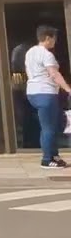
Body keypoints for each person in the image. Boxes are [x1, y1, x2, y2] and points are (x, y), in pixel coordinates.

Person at [23, 25, 71, 169]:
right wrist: (68, 89)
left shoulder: (30, 52)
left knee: (51, 125)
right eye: (54, 38)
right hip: (46, 93)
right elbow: (54, 74)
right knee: (49, 127)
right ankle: (47, 159)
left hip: (33, 92)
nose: (55, 41)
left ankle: (54, 156)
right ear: (48, 38)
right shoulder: (46, 54)